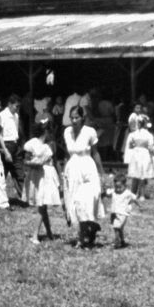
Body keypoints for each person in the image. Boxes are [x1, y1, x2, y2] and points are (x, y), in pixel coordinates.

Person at [63, 106, 105, 248]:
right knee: (75, 203)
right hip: (72, 170)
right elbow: (66, 154)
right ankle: (87, 232)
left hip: (87, 168)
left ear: (82, 118)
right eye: (72, 117)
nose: (74, 120)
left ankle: (87, 233)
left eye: (77, 117)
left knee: (86, 200)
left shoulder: (89, 132)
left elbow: (95, 153)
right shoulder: (67, 132)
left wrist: (101, 173)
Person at [22, 121, 63, 244]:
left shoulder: (51, 145)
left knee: (42, 204)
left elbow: (55, 162)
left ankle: (40, 234)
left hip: (47, 175)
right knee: (42, 204)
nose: (51, 135)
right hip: (37, 174)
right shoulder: (33, 143)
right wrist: (32, 164)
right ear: (45, 132)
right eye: (50, 132)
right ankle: (41, 234)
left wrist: (60, 179)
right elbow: (26, 159)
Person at [0, 94, 24, 202]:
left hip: (15, 145)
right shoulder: (2, 115)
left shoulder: (16, 116)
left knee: (19, 172)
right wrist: (5, 150)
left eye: (19, 107)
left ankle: (24, 196)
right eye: (15, 106)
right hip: (6, 145)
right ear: (9, 104)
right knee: (2, 174)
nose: (17, 109)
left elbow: (16, 132)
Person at [125, 115, 154, 201]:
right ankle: (141, 194)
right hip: (144, 153)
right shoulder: (149, 135)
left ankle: (134, 193)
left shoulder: (133, 134)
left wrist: (135, 145)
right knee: (142, 174)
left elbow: (130, 145)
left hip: (136, 153)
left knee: (136, 174)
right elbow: (150, 146)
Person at [106, 173, 140, 249]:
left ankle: (117, 242)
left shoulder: (127, 193)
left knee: (116, 227)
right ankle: (122, 241)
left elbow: (134, 198)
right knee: (119, 229)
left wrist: (139, 205)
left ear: (125, 185)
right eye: (116, 187)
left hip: (122, 214)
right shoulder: (114, 191)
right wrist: (103, 195)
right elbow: (107, 193)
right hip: (114, 213)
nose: (118, 189)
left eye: (120, 187)